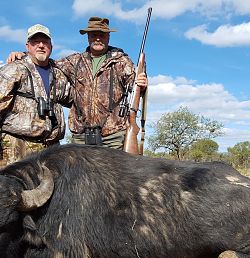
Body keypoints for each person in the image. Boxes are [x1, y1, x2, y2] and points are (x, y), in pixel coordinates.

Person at [7, 17, 148, 149]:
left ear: (108, 37)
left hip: (113, 136)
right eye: (93, 35)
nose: (98, 38)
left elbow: (134, 85)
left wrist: (141, 83)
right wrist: (24, 55)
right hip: (81, 136)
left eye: (102, 34)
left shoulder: (122, 61)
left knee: (114, 175)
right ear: (88, 37)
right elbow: (46, 61)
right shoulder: (74, 61)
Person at [0, 24, 69, 167]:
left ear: (51, 46)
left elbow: (75, 99)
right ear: (28, 46)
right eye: (36, 42)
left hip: (50, 148)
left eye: (45, 42)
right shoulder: (14, 69)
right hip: (17, 146)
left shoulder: (58, 74)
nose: (41, 45)